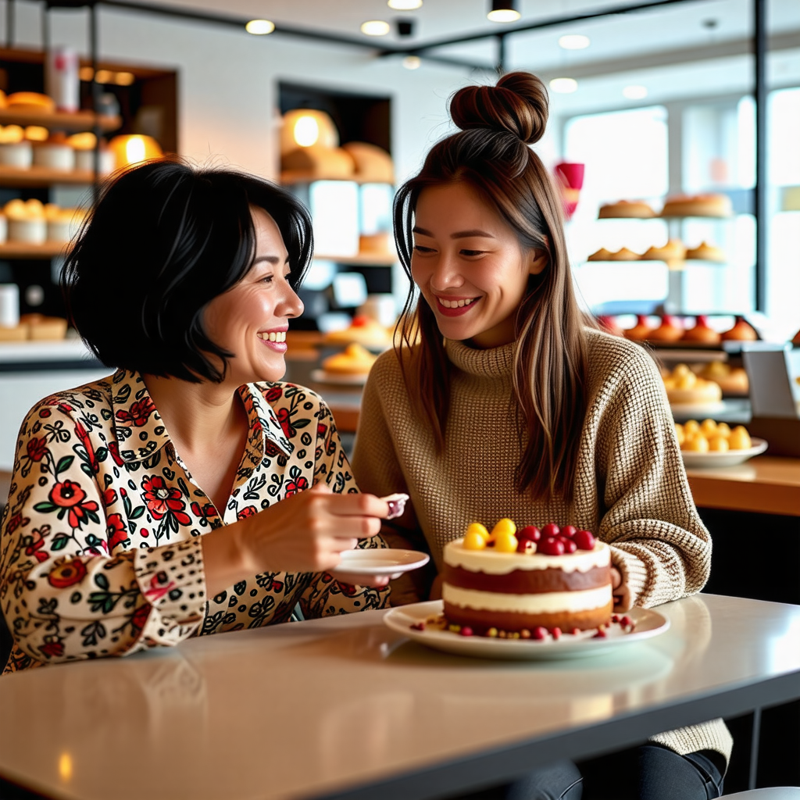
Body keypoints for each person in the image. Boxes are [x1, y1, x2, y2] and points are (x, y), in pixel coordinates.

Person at [351, 72, 731, 800]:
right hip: (474, 693)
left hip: (638, 693)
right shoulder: (395, 382)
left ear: (537, 253)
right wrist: (362, 564)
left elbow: (676, 545)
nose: (439, 278)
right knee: (517, 787)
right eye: (424, 249)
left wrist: (589, 579)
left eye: (471, 250)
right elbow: (383, 549)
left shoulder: (614, 371)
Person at [0, 158, 392, 675]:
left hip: (239, 732)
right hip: (80, 733)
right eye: (266, 278)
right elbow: (41, 616)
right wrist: (246, 547)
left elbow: (353, 616)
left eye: (288, 277)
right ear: (180, 289)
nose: (293, 304)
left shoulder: (302, 421)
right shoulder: (69, 429)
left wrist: (371, 566)